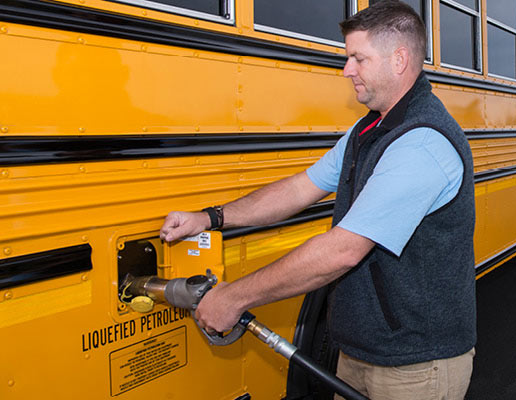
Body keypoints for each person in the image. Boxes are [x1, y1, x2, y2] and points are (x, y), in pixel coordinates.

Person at [158, 2, 476, 399]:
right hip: (362, 352)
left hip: (415, 366)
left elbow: (343, 251)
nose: (346, 70)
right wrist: (210, 218)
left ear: (400, 59)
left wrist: (235, 297)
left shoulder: (422, 142)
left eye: (358, 58)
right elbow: (299, 189)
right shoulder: (370, 129)